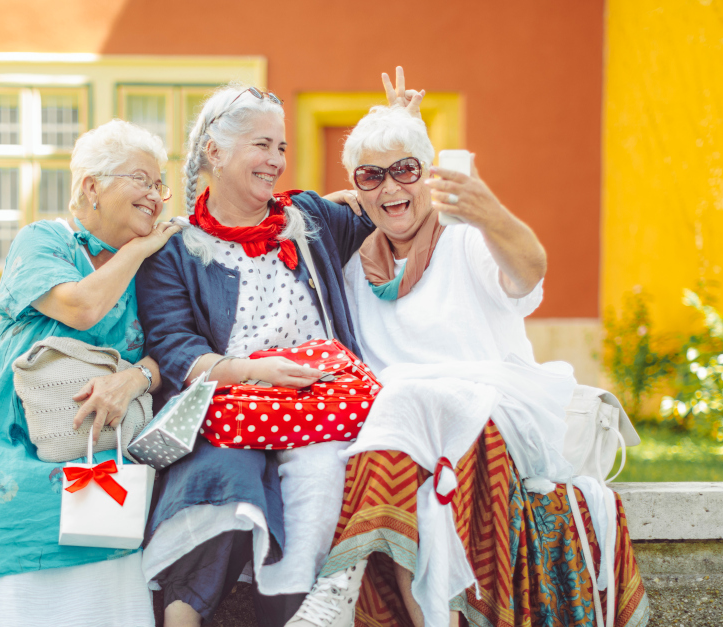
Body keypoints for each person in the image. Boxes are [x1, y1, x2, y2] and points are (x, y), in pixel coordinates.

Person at [285, 104, 650, 627]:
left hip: (492, 413)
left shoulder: (467, 239)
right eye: (372, 175)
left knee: (407, 397)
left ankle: (339, 581)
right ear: (356, 189)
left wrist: (489, 213)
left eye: (406, 170)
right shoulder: (353, 263)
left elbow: (528, 273)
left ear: (428, 174)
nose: (391, 188)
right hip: (403, 440)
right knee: (426, 510)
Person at [133, 79, 414, 626]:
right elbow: (172, 344)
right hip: (235, 407)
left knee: (319, 476)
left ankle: (295, 612)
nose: (277, 160)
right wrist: (252, 371)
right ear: (215, 151)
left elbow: (387, 198)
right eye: (262, 145)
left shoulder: (308, 220)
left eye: (281, 147)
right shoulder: (176, 246)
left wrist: (397, 133)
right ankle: (181, 615)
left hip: (323, 408)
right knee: (224, 477)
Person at [0, 119, 181, 627]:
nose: (156, 195)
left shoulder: (156, 266)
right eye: (142, 180)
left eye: (159, 185)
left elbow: (171, 348)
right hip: (0, 436)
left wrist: (134, 378)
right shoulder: (44, 240)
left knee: (110, 511)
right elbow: (81, 308)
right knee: (4, 501)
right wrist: (137, 250)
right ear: (91, 187)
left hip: (93, 443)